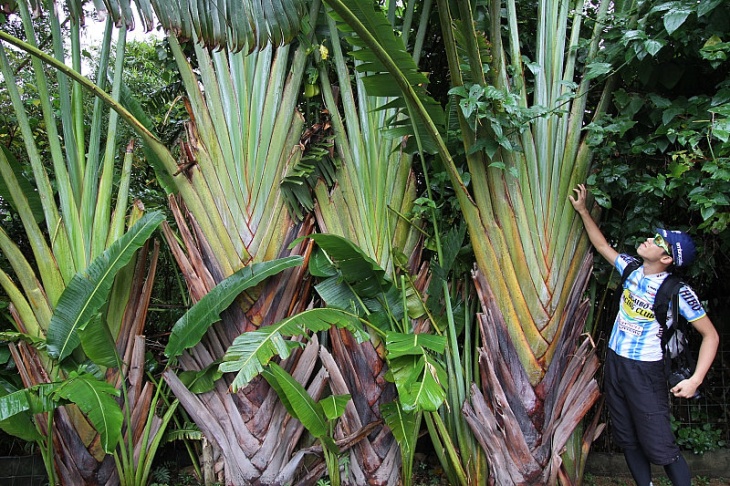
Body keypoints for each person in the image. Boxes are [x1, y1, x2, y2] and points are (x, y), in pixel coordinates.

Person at [569, 183, 719, 486]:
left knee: (660, 445)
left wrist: (695, 380)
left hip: (645, 370)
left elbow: (711, 336)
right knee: (627, 437)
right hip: (616, 363)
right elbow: (601, 247)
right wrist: (583, 211)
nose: (649, 239)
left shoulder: (678, 292)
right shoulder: (632, 269)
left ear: (666, 259)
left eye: (658, 241)